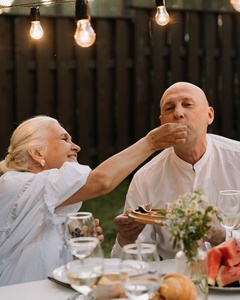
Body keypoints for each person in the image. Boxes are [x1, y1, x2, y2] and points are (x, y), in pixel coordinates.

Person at [0, 115, 187, 286]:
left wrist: (81, 247)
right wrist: (151, 143)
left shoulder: (54, 199)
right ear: (37, 153)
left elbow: (58, 268)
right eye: (64, 139)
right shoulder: (15, 185)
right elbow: (101, 182)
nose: (76, 147)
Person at [111, 81, 240, 260]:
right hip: (176, 280)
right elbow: (134, 265)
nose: (178, 113)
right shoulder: (145, 178)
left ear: (209, 115)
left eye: (187, 105)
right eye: (169, 109)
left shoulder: (237, 158)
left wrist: (223, 236)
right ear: (162, 123)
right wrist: (126, 239)